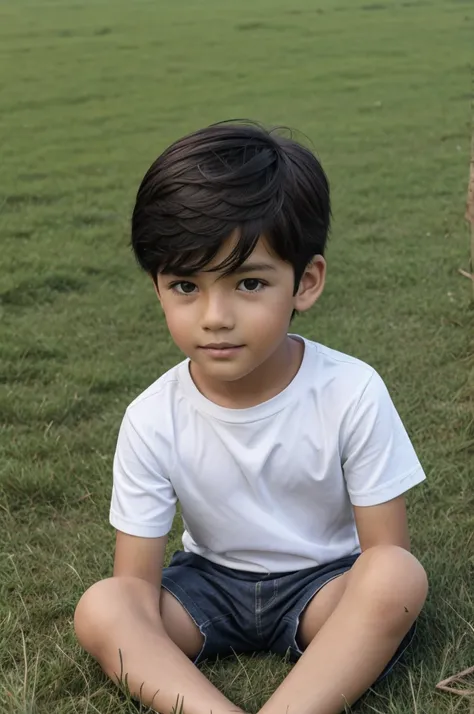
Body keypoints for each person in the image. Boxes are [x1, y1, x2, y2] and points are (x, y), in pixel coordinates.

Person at [73, 121, 428, 714]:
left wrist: (366, 591)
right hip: (205, 589)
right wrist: (136, 611)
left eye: (249, 282)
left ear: (305, 283)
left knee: (397, 577)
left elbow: (383, 553)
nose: (215, 316)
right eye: (186, 284)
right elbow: (135, 585)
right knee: (104, 606)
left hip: (324, 589)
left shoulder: (351, 390)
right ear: (157, 289)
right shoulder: (151, 417)